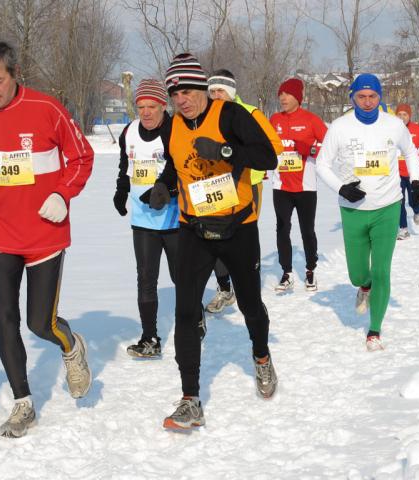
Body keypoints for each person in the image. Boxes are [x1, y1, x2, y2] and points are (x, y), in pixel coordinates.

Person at [0, 41, 93, 438]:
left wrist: (62, 194)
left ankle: (71, 345)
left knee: (39, 323)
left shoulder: (47, 109)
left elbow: (82, 156)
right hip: (0, 235)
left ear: (15, 74)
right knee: (4, 320)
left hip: (45, 233)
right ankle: (23, 403)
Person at [149, 53, 278, 430]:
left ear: (203, 87)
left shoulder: (230, 115)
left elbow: (269, 156)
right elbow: (175, 165)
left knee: (251, 304)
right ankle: (190, 399)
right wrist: (163, 186)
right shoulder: (173, 126)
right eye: (175, 94)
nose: (182, 100)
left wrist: (225, 151)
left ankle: (261, 356)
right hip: (193, 230)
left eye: (188, 91)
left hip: (238, 228)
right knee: (186, 312)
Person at [316, 73, 419, 351]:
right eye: (362, 96)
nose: (367, 102)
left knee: (381, 271)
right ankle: (362, 287)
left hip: (387, 208)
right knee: (358, 274)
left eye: (373, 96)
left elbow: (411, 153)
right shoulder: (340, 127)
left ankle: (374, 330)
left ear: (380, 97)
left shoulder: (393, 125)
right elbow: (322, 164)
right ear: (352, 97)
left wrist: (415, 180)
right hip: (353, 210)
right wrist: (342, 188)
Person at [204, 69, 283, 313]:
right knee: (213, 238)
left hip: (247, 185)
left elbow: (275, 148)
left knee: (243, 238)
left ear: (231, 92)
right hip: (214, 185)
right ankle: (224, 288)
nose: (216, 96)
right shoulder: (204, 115)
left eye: (221, 91)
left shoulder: (250, 113)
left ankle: (248, 288)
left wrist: (237, 154)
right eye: (213, 91)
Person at [113, 79, 179, 358]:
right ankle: (149, 338)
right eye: (141, 107)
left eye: (152, 106)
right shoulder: (128, 132)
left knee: (182, 277)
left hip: (175, 221)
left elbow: (179, 166)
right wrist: (120, 189)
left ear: (163, 106)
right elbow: (126, 165)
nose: (146, 112)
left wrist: (164, 189)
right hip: (142, 221)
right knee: (146, 279)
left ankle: (194, 317)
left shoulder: (175, 130)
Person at [270, 78, 328, 292]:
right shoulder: (274, 119)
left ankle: (310, 269)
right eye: (281, 94)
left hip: (305, 186)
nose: (283, 98)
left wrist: (310, 149)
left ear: (298, 98)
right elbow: (266, 144)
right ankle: (286, 272)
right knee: (282, 230)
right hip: (281, 186)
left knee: (307, 230)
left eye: (287, 94)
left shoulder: (311, 120)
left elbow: (328, 144)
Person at [394, 103, 419, 239]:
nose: (402, 117)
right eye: (399, 114)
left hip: (413, 174)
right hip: (396, 174)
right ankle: (403, 229)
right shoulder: (391, 131)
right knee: (399, 202)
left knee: (413, 201)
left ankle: (417, 211)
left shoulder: (418, 130)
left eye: (405, 114)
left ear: (409, 116)